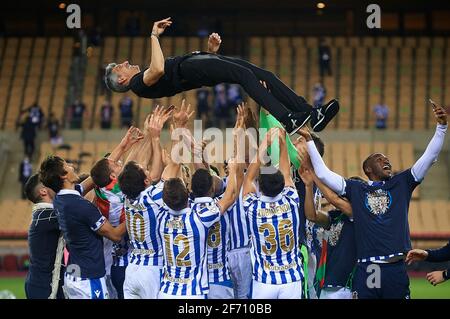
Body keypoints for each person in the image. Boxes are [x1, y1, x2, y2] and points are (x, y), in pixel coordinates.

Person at [300, 104, 447, 299]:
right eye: (379, 158)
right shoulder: (357, 188)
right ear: (367, 169)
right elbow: (324, 174)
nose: (386, 161)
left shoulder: (401, 183)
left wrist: (442, 127)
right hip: (368, 268)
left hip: (394, 268)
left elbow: (429, 157)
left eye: (387, 159)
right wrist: (309, 140)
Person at [104, 17, 339, 134]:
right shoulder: (136, 84)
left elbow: (164, 72)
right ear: (122, 80)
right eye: (120, 67)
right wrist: (154, 36)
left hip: (195, 67)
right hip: (190, 69)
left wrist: (210, 54)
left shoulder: (138, 81)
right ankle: (288, 118)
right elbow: (158, 69)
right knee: (246, 76)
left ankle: (310, 113)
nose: (125, 63)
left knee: (262, 74)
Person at [39, 156, 127, 299]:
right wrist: (135, 212)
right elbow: (115, 235)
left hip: (74, 273)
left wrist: (125, 144)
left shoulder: (61, 199)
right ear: (64, 176)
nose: (72, 165)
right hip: (88, 279)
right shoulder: (81, 206)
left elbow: (95, 177)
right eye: (67, 164)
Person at [117, 107, 172, 299]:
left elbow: (130, 169)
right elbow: (163, 173)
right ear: (146, 182)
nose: (148, 170)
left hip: (132, 270)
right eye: (145, 171)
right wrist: (155, 138)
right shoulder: (153, 197)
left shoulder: (126, 196)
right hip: (152, 270)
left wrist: (149, 135)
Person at [242, 128, 304, 299]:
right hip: (291, 279)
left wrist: (264, 144)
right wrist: (283, 144)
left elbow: (248, 178)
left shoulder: (253, 208)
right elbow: (286, 173)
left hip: (264, 280)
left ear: (259, 187)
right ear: (282, 185)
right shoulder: (291, 201)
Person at [89, 126, 146, 299]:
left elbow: (109, 166)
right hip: (115, 260)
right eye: (116, 164)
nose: (118, 163)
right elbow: (130, 168)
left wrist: (124, 145)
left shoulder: (101, 188)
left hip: (112, 259)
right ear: (113, 177)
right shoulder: (116, 194)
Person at [24, 174, 65, 299]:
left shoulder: (43, 213)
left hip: (42, 282)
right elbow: (75, 207)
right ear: (43, 191)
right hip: (43, 287)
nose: (56, 184)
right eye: (50, 182)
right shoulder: (47, 215)